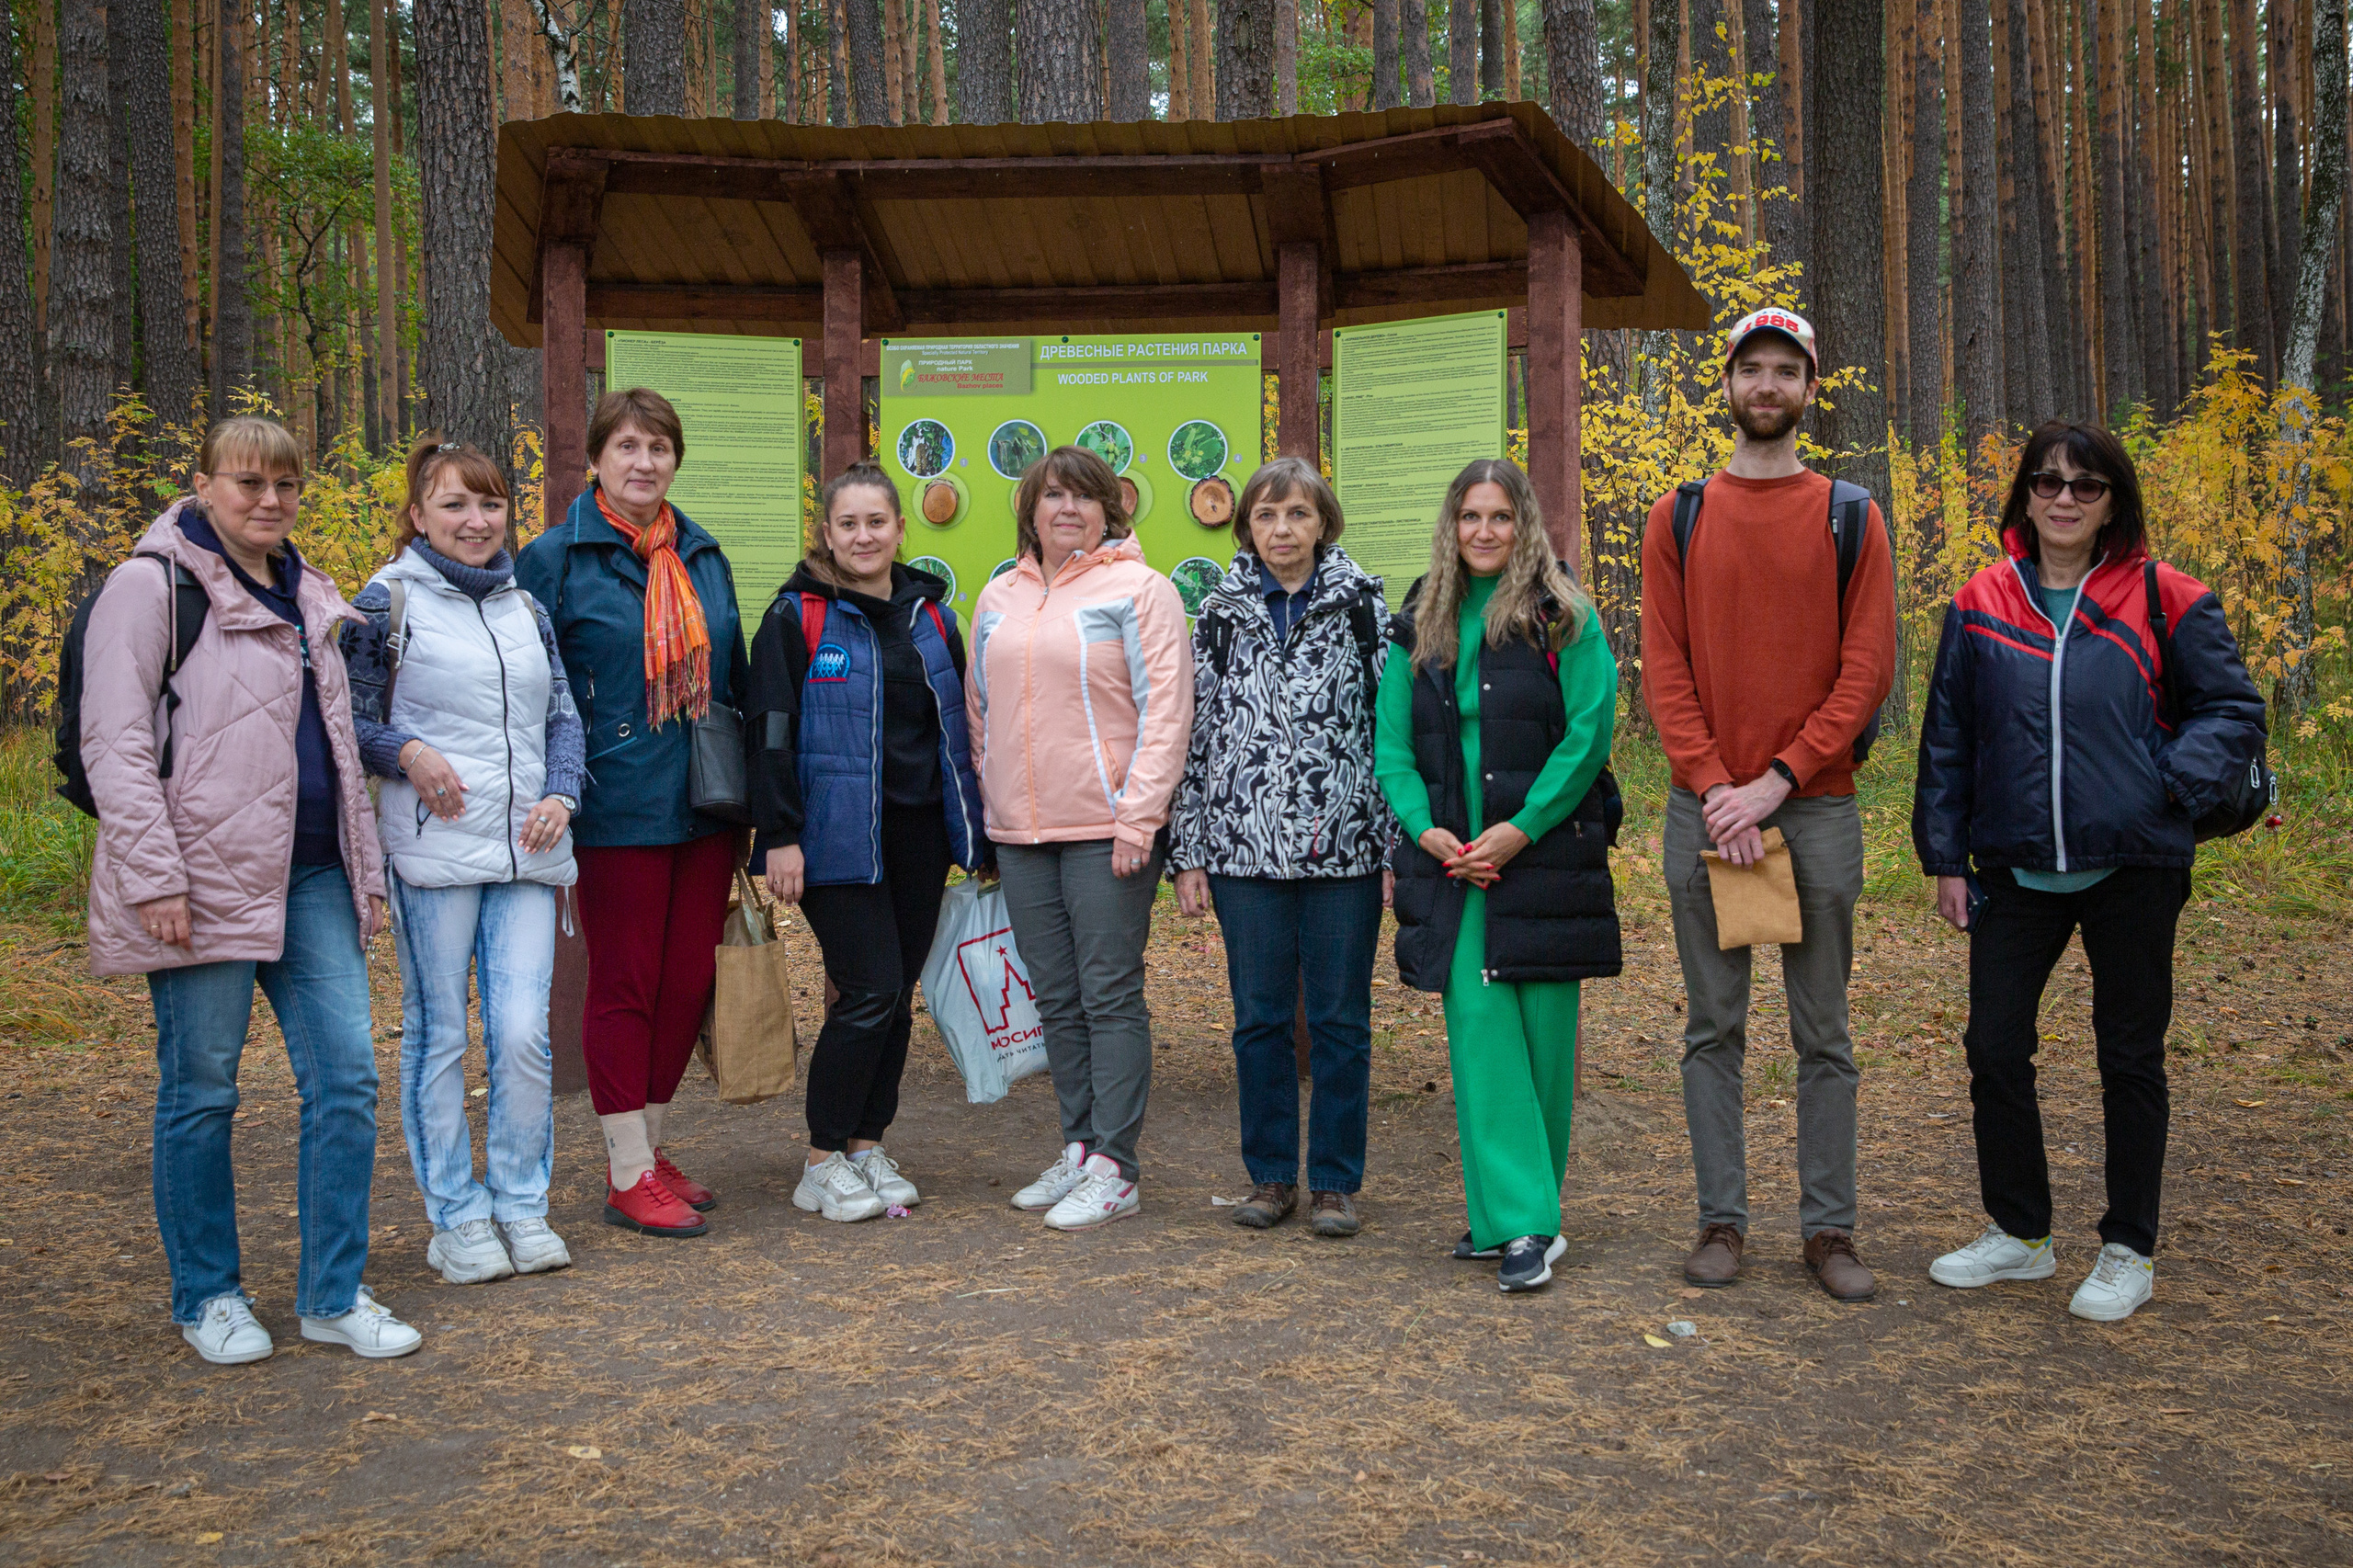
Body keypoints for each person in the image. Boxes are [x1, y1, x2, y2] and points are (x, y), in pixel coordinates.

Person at [81, 415, 420, 1364]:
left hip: (310, 871)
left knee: (346, 1077)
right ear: (203, 485)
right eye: (248, 483)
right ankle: (209, 1294)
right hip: (198, 877)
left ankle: (332, 1292)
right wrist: (153, 875)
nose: (268, 500)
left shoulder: (309, 590)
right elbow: (113, 743)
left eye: (285, 485)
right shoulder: (149, 588)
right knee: (202, 1089)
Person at [1913, 423, 2266, 1324]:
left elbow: (2232, 709)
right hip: (2014, 868)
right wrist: (1943, 857)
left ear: (2115, 499)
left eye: (2086, 484)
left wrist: (2168, 782)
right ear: (2023, 496)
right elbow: (1947, 738)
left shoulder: (2166, 595)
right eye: (2047, 482)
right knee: (1993, 1046)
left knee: (2129, 1054)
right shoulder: (1980, 600)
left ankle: (2127, 1246)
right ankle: (2019, 1233)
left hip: (2134, 868)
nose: (2064, 498)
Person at [1640, 307, 1895, 1303]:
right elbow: (1664, 666)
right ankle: (1721, 1218)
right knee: (1713, 1025)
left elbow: (1865, 667)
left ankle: (1828, 1229)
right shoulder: (1681, 513)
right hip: (1703, 812)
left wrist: (1775, 781)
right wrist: (1716, 787)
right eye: (1753, 368)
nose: (1768, 386)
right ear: (1730, 383)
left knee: (1822, 1032)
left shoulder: (1850, 515)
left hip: (1813, 810)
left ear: (1807, 387)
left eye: (1786, 370)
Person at [341, 436, 585, 1284]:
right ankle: (456, 1216)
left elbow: (562, 716)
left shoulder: (526, 607)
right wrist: (406, 751)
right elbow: (348, 723)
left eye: (488, 504)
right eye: (454, 505)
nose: (476, 521)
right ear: (418, 517)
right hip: (436, 853)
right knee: (441, 1036)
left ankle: (521, 1203)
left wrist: (563, 793)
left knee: (522, 1036)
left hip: (527, 851)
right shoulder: (384, 605)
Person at [1374, 458, 1620, 1293]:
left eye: (1501, 517)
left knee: (1545, 1038)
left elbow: (1589, 735)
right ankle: (1520, 1222)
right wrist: (1426, 831)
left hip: (1542, 849)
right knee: (1481, 1034)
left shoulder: (1564, 616)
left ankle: (1516, 1218)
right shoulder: (1420, 621)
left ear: (1526, 525)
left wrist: (1519, 830)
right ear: (1451, 526)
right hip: (1457, 862)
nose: (1485, 532)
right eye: (1471, 517)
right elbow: (1392, 747)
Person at [516, 387, 749, 1240]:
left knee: (686, 983)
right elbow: (526, 687)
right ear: (597, 460)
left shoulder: (702, 552)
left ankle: (651, 1150)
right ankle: (624, 1172)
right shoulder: (554, 558)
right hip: (613, 802)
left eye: (658, 449)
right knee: (626, 983)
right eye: (627, 448)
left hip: (705, 801)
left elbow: (735, 673)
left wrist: (754, 797)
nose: (644, 463)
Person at [745, 460, 989, 1223]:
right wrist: (779, 834)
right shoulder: (799, 618)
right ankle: (819, 1159)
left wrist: (973, 833)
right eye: (847, 524)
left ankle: (865, 1144)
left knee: (896, 1001)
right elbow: (770, 733)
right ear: (827, 532)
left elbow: (958, 729)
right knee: (868, 990)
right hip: (833, 838)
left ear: (899, 529)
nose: (862, 536)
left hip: (919, 836)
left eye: (875, 523)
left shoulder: (933, 618)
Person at [968, 446, 1192, 1231]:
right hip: (1021, 834)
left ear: (1110, 511)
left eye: (1084, 498)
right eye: (1052, 496)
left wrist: (1140, 817)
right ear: (1030, 510)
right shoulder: (998, 597)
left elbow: (1167, 711)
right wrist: (993, 805)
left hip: (1108, 831)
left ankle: (1117, 1167)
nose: (1068, 509)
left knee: (1108, 994)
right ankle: (1080, 1146)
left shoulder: (1141, 590)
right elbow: (980, 713)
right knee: (1056, 999)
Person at [1172, 457, 1392, 1239]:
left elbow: (1392, 733)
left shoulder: (1364, 606)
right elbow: (1193, 738)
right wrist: (1189, 851)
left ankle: (1333, 1181)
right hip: (1242, 850)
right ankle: (1271, 1178)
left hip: (1344, 849)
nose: (1282, 531)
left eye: (1297, 514)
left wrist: (1394, 848)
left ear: (1322, 522)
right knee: (1259, 1019)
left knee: (1339, 1020)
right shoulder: (1218, 612)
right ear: (1247, 529)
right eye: (1266, 516)